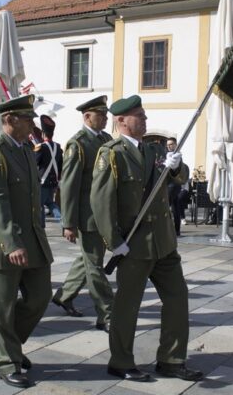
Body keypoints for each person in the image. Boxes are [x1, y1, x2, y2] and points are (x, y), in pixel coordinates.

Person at [91, 95, 202, 382]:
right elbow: (102, 202)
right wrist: (114, 242)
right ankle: (121, 361)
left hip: (163, 243)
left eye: (144, 114)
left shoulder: (153, 150)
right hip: (134, 245)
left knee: (178, 298)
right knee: (128, 306)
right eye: (139, 115)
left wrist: (177, 166)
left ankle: (171, 359)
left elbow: (179, 177)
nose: (145, 119)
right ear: (121, 121)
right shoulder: (111, 153)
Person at [0, 95, 53, 388]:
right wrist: (11, 242)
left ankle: (9, 344)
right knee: (4, 305)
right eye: (28, 119)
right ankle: (8, 360)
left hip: (32, 240)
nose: (33, 124)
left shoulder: (23, 150)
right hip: (5, 243)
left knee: (40, 296)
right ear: (9, 120)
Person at [53, 96, 114, 329]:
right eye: (101, 115)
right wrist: (68, 222)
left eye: (106, 115)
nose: (106, 119)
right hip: (88, 216)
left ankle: (64, 295)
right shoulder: (77, 144)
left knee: (88, 259)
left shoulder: (106, 139)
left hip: (104, 214)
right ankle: (107, 313)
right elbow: (69, 185)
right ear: (87, 116)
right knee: (95, 266)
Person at [34, 115, 63, 226]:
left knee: (40, 205)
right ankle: (62, 223)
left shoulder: (40, 147)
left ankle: (41, 227)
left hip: (42, 181)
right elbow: (60, 165)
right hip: (53, 181)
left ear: (43, 134)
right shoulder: (58, 147)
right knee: (51, 204)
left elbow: (35, 162)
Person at [166, 137, 189, 236]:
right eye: (168, 145)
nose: (169, 146)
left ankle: (170, 230)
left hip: (172, 186)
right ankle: (176, 230)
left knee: (167, 208)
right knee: (175, 209)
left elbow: (170, 168)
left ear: (176, 144)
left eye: (171, 144)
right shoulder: (177, 155)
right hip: (175, 186)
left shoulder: (173, 155)